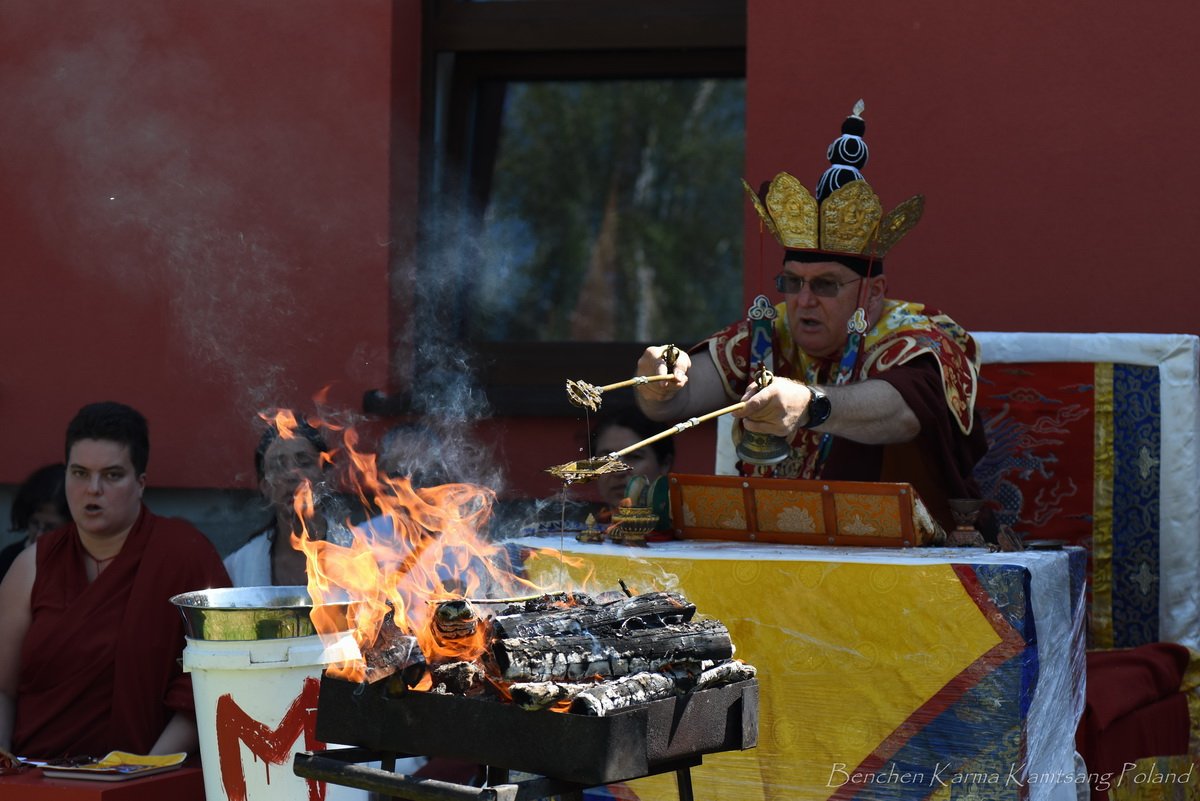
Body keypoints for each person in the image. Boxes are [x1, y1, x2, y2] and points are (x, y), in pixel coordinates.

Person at [635, 100, 989, 533]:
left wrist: (810, 404)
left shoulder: (920, 336)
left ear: (873, 292)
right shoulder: (770, 332)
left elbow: (903, 411)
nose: (802, 300)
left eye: (825, 285)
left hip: (899, 549)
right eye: (792, 281)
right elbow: (677, 401)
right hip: (777, 542)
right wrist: (658, 382)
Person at [0, 401, 230, 761]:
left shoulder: (185, 556)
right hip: (39, 777)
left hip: (146, 776)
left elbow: (214, 677)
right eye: (80, 473)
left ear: (140, 484)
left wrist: (145, 768)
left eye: (112, 475)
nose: (93, 489)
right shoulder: (32, 566)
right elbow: (3, 688)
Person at [224, 412, 353, 587]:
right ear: (265, 486)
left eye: (304, 462)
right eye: (278, 466)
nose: (292, 475)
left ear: (325, 476)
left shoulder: (361, 556)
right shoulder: (239, 567)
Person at [590, 406, 675, 512]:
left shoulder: (688, 519)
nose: (618, 472)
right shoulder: (578, 519)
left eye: (634, 457)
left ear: (664, 464)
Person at [0, 464, 70, 582]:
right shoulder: (10, 558)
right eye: (35, 523)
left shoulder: (84, 564)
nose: (38, 535)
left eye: (50, 528)